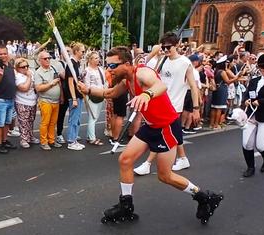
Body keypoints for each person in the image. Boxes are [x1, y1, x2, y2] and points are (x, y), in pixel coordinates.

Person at [78, 46, 223, 224]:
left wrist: (147, 95)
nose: (109, 69)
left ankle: (203, 197)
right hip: (151, 127)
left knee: (165, 176)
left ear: (127, 64)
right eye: (107, 65)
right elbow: (109, 93)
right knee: (125, 160)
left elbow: (161, 85)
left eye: (113, 66)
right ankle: (126, 206)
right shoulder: (126, 82)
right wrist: (88, 90)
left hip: (167, 127)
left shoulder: (142, 73)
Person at [134, 32, 201, 175]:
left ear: (176, 45)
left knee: (160, 133)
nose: (165, 49)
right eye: (163, 47)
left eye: (168, 47)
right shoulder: (163, 59)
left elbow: (193, 87)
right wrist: (156, 55)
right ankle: (183, 158)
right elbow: (151, 73)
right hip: (162, 101)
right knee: (174, 133)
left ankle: (148, 163)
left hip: (174, 105)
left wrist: (196, 108)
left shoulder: (185, 63)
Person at [0, 44, 17, 154]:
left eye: (5, 53)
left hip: (10, 98)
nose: (3, 55)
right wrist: (0, 74)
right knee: (0, 123)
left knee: (7, 122)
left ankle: (5, 141)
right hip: (1, 99)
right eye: (0, 54)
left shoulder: (10, 65)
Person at [34, 51, 63, 150]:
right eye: (45, 58)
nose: (48, 60)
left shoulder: (53, 69)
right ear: (40, 60)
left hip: (56, 101)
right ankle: (44, 142)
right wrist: (51, 83)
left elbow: (59, 84)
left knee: (53, 122)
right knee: (45, 122)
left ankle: (51, 140)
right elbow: (38, 88)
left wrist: (61, 96)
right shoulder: (38, 72)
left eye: (49, 58)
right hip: (45, 101)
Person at [64, 42, 86, 150]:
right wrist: (73, 98)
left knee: (77, 119)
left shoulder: (77, 63)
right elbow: (70, 82)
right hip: (74, 96)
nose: (83, 53)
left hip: (79, 95)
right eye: (82, 51)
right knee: (73, 119)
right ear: (76, 51)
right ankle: (71, 141)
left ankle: (75, 139)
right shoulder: (71, 64)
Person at [14, 58, 39, 148]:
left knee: (31, 121)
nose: (26, 68)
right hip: (22, 102)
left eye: (27, 66)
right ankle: (24, 139)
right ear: (17, 68)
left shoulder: (31, 73)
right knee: (23, 122)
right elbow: (24, 88)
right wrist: (28, 77)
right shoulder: (17, 76)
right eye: (23, 67)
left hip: (32, 101)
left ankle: (30, 136)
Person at [84, 51, 106, 145]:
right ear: (90, 60)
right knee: (92, 117)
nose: (98, 59)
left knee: (95, 117)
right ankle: (92, 138)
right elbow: (86, 85)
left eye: (98, 57)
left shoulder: (100, 69)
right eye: (96, 58)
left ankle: (90, 136)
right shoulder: (87, 71)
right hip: (92, 96)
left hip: (101, 95)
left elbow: (104, 82)